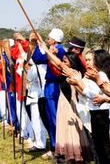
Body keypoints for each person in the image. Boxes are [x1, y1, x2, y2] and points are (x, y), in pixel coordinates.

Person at [32, 28, 65, 159]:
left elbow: (46, 58)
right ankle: (53, 145)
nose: (48, 39)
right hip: (48, 86)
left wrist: (48, 51)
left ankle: (59, 147)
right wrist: (37, 44)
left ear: (55, 40)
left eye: (50, 38)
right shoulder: (51, 49)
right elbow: (38, 58)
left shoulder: (60, 50)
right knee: (49, 117)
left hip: (55, 86)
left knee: (54, 117)